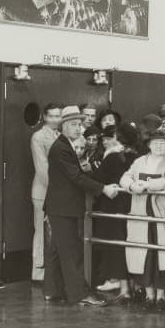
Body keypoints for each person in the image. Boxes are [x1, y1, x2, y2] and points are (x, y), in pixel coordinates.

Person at [43, 106, 116, 306]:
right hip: (63, 207)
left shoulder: (64, 145)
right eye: (74, 125)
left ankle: (52, 290)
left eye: (79, 125)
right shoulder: (62, 148)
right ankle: (80, 294)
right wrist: (103, 189)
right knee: (71, 250)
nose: (78, 129)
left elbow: (76, 174)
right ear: (64, 126)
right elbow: (75, 176)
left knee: (57, 250)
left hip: (59, 206)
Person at [121, 131, 165, 310]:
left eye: (163, 143)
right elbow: (125, 177)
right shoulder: (139, 162)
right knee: (143, 254)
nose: (159, 146)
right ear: (148, 145)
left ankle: (161, 296)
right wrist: (131, 185)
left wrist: (146, 185)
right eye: (155, 143)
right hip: (141, 213)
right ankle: (149, 295)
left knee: (163, 254)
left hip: (161, 213)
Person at [92, 124, 139, 300]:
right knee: (135, 246)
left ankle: (125, 289)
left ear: (118, 139)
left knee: (117, 248)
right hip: (135, 207)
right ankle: (137, 286)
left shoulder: (112, 158)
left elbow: (97, 179)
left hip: (114, 208)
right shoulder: (140, 157)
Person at [29, 102, 63, 282]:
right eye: (52, 116)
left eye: (59, 116)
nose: (56, 120)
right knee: (41, 231)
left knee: (54, 232)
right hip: (43, 192)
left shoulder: (61, 135)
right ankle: (38, 272)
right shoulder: (38, 137)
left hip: (57, 192)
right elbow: (43, 169)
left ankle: (52, 271)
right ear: (44, 117)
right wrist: (59, 189)